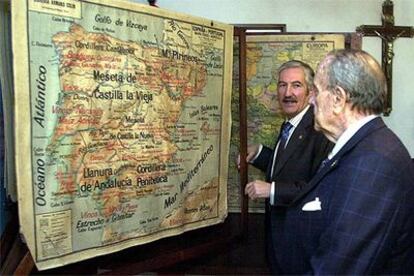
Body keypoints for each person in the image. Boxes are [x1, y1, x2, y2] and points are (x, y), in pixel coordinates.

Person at [274, 49, 414, 274]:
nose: (311, 99)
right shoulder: (364, 146)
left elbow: (340, 267)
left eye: (317, 91)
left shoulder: (373, 162)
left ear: (338, 99)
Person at [239, 60, 333, 273]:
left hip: (301, 245)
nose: (287, 92)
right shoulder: (291, 123)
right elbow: (292, 164)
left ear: (310, 93)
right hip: (281, 241)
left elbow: (320, 188)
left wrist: (271, 190)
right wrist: (260, 154)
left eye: (296, 85)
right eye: (282, 85)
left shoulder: (320, 131)